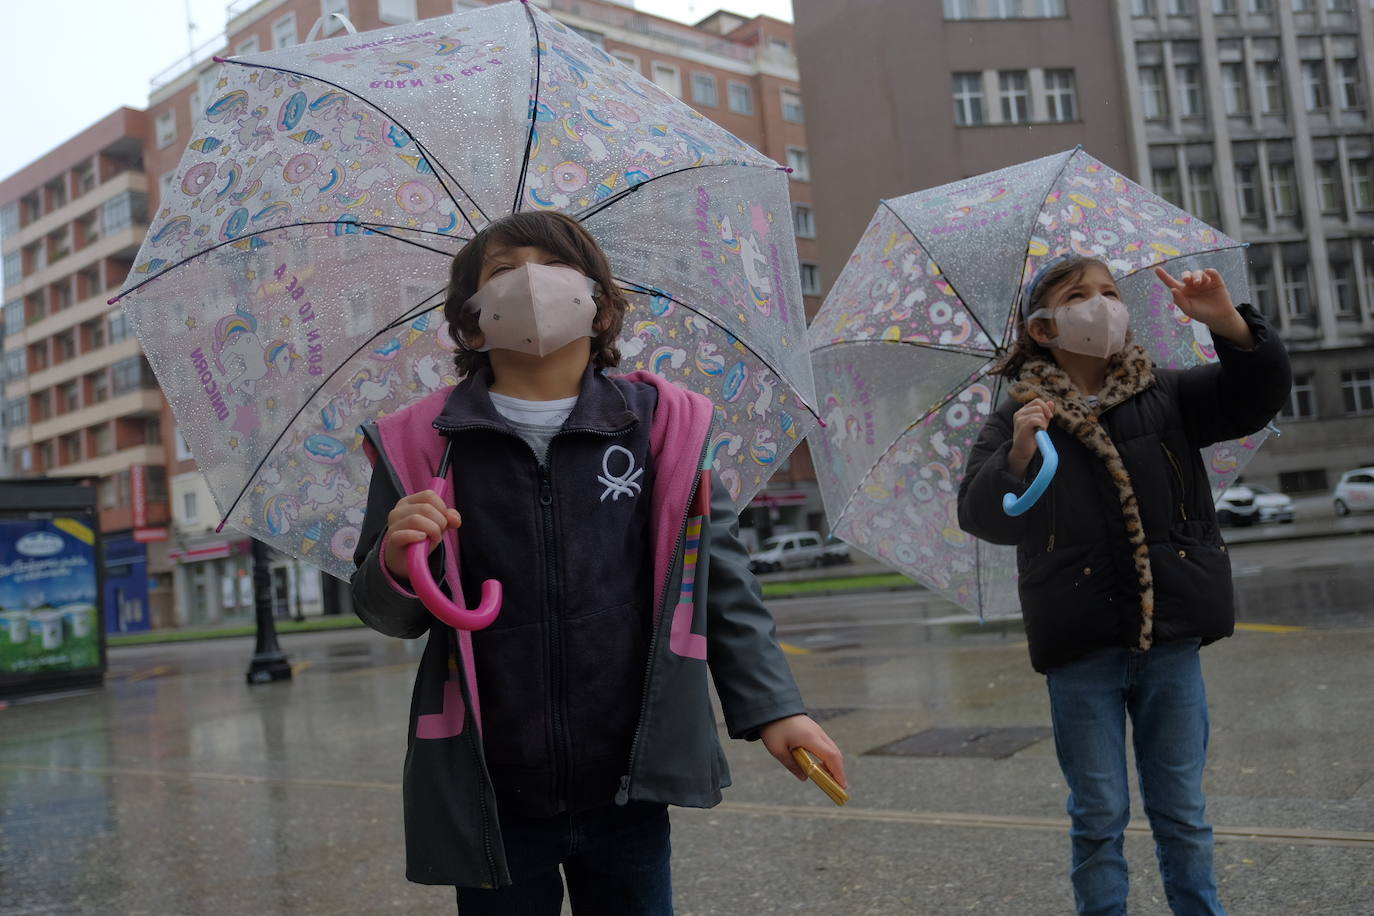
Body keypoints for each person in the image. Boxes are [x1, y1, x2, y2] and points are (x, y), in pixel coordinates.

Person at [350, 210, 845, 914]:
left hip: (627, 780)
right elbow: (385, 611)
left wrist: (775, 710)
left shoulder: (663, 426)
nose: (529, 282)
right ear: (468, 325)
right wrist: (398, 561)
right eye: (501, 271)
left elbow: (723, 586)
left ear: (602, 306)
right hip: (494, 788)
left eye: (554, 266)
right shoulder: (424, 445)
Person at [957, 255, 1290, 915]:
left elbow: (1255, 395)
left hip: (1169, 638)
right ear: (1044, 328)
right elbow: (983, 516)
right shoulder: (1019, 418)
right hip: (1080, 648)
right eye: (1080, 296)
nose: (1102, 305)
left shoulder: (1166, 395)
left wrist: (1227, 321)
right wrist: (1020, 451)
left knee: (1183, 812)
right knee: (1099, 815)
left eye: (1110, 292)